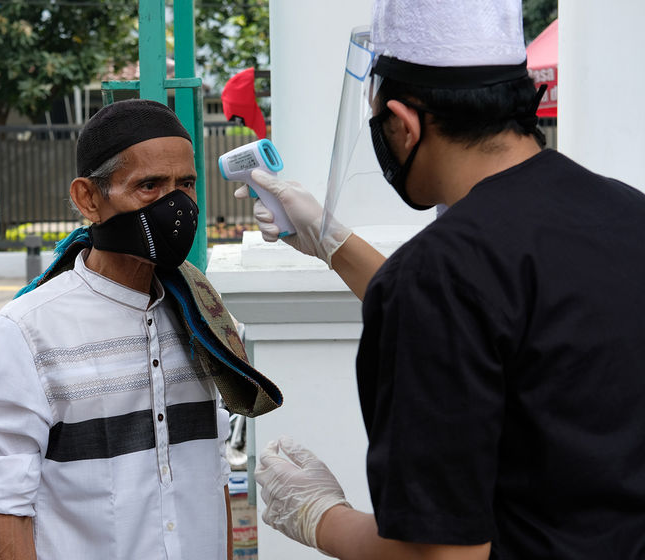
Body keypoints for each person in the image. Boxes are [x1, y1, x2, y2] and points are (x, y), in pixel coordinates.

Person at [247, 1, 645, 558]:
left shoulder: (438, 277)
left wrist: (320, 517)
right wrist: (331, 243)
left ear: (404, 125)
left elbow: (441, 555)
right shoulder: (626, 212)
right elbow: (503, 322)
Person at [0, 100, 247, 559]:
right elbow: (7, 503)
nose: (175, 204)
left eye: (186, 184)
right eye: (149, 185)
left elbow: (212, 472)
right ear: (88, 199)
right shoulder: (27, 331)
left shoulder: (204, 316)